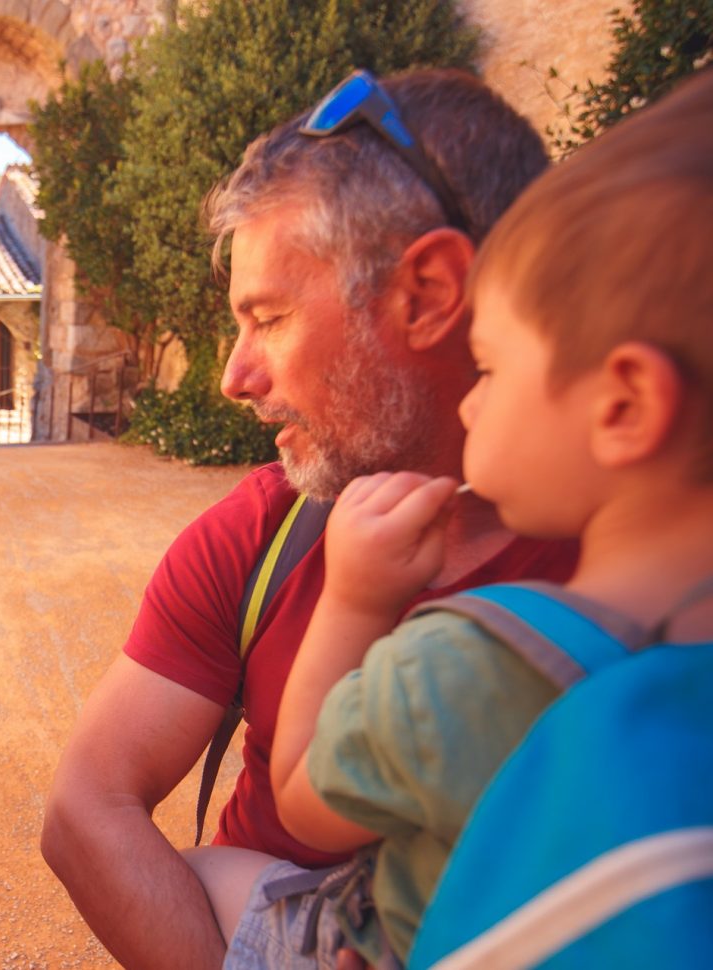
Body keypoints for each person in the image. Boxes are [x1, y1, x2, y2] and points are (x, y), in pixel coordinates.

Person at [41, 68, 579, 969]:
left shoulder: (641, 549)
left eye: (270, 317)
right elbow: (86, 810)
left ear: (429, 292)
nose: (234, 376)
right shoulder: (262, 537)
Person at [185, 65, 713, 967]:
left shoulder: (468, 661)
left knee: (202, 869)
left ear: (624, 405)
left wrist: (352, 600)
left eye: (496, 366)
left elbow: (304, 797)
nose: (232, 377)